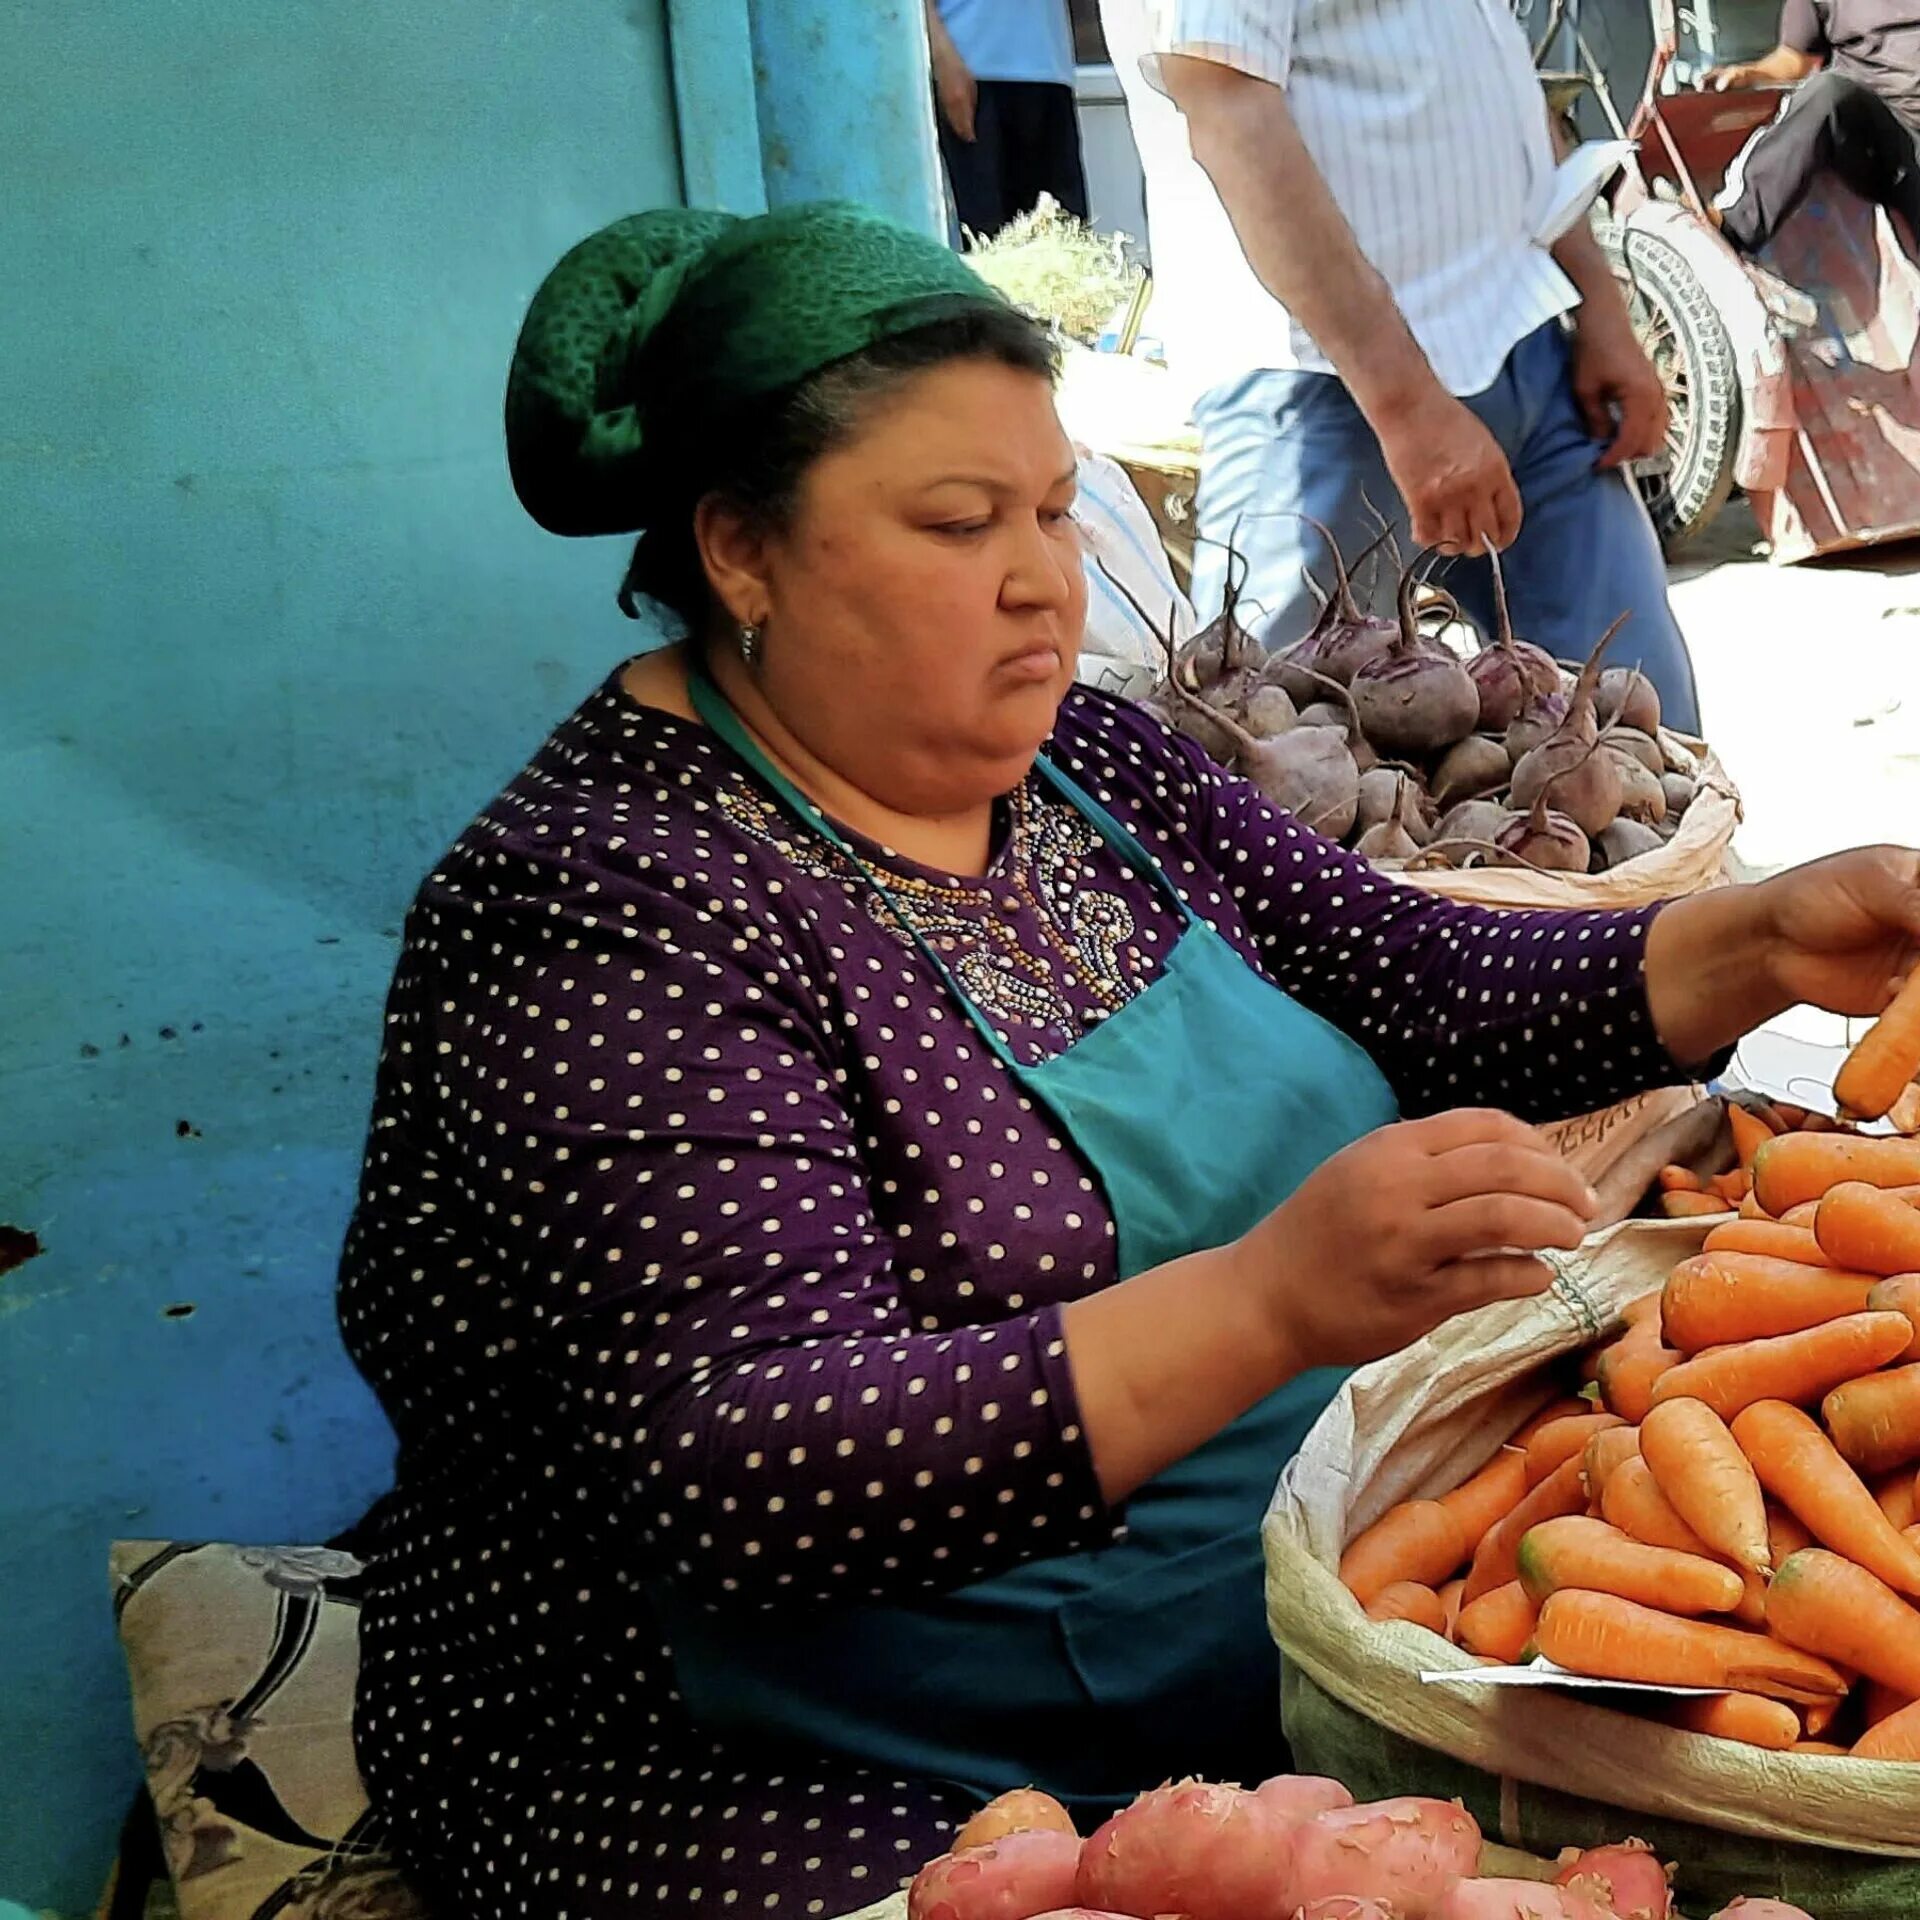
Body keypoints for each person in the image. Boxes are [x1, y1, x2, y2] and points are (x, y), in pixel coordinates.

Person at [337, 199, 1920, 1918]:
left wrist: (1760, 936)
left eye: (1050, 510)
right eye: (958, 523)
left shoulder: (1085, 762)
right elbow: (737, 1465)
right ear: (739, 550)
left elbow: (1411, 973)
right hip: (786, 1762)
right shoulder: (604, 912)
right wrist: (1268, 1303)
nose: (1042, 576)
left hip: (1272, 1640)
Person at [1096, 0, 1704, 734]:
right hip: (1325, 388)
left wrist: (1597, 301)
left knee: (1640, 733)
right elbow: (1224, 100)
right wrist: (1406, 404)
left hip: (1523, 337)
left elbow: (1496, 72)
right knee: (1286, 767)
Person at [1706, 0, 1920, 257]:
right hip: (1877, 132)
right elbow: (1794, 60)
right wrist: (1748, 74)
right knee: (1824, 92)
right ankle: (1732, 224)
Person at [926, 0, 1090, 236]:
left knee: (1060, 243)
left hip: (1048, 67)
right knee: (978, 240)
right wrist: (940, 56)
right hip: (968, 68)